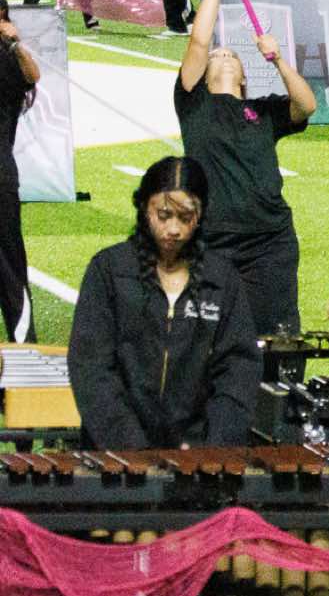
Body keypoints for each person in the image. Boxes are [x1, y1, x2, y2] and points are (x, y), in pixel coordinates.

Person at [175, 0, 318, 336]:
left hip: (270, 239)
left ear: (244, 77)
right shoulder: (194, 104)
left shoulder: (264, 110)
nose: (222, 54)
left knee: (275, 338)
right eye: (217, 56)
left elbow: (306, 105)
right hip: (212, 239)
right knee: (210, 338)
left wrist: (279, 60)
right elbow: (199, 40)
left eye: (231, 55)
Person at [68, 156, 259, 449]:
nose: (173, 229)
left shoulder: (222, 280)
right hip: (115, 454)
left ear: (201, 215)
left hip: (196, 455)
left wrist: (214, 447)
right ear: (144, 208)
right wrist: (131, 448)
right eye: (164, 215)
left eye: (185, 218)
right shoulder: (108, 271)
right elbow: (92, 369)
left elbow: (238, 370)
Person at [0, 0, 43, 342]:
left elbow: (33, 76)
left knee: (10, 269)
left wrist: (15, 44)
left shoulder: (8, 59)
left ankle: (24, 346)